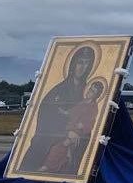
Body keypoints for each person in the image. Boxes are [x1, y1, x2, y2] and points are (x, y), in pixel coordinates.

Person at [19, 45, 96, 173]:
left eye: (87, 63)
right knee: (53, 146)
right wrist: (68, 131)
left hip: (77, 132)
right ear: (72, 64)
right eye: (80, 63)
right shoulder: (60, 90)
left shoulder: (87, 90)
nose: (83, 67)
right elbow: (48, 113)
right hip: (56, 132)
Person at [38, 80, 105, 174]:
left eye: (93, 91)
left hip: (79, 133)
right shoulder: (83, 102)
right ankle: (59, 164)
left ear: (96, 95)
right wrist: (62, 112)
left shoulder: (93, 107)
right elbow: (72, 112)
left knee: (59, 146)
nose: (89, 92)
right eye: (90, 89)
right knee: (58, 145)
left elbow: (91, 123)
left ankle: (47, 166)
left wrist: (82, 125)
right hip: (70, 129)